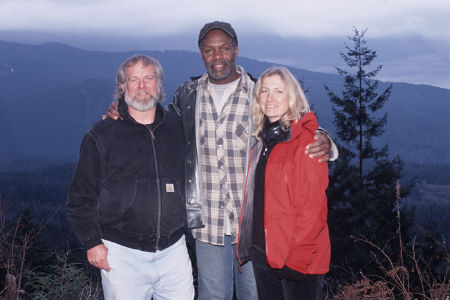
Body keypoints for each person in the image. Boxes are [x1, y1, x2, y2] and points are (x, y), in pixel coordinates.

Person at [107, 21, 335, 300]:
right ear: (201, 54)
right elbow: (157, 124)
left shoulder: (257, 91)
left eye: (224, 49)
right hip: (208, 222)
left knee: (256, 295)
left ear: (236, 50)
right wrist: (122, 109)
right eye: (209, 50)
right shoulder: (187, 95)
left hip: (254, 223)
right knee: (213, 296)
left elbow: (292, 122)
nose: (217, 57)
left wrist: (324, 139)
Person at [66, 54, 194, 300]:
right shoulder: (102, 135)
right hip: (122, 254)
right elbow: (80, 197)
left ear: (159, 84)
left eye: (149, 78)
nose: (142, 86)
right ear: (122, 87)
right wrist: (92, 242)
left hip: (174, 251)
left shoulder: (178, 128)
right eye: (134, 80)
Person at [237, 66, 330, 300]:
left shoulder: (307, 143)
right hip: (264, 255)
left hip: (297, 261)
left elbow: (312, 209)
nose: (270, 98)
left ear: (292, 97)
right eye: (265, 91)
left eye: (279, 91)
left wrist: (297, 260)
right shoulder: (262, 141)